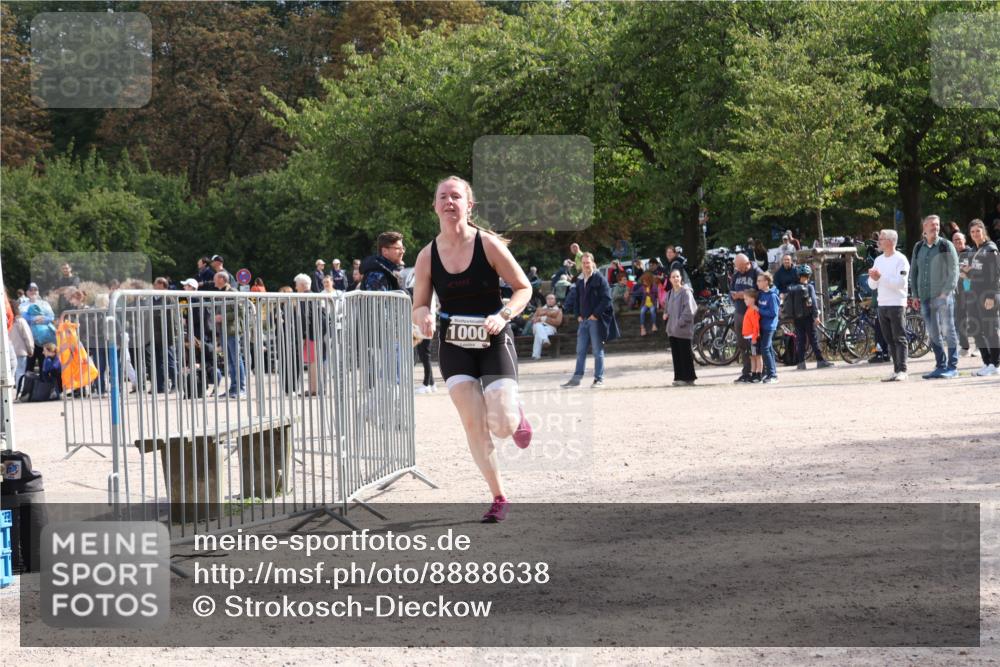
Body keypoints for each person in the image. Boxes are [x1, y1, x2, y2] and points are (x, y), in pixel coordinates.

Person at [410, 175, 533, 524]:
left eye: (456, 196)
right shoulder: (427, 256)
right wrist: (424, 317)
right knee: (473, 422)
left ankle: (515, 413)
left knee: (503, 425)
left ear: (469, 205)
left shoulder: (488, 244)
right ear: (435, 206)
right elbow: (419, 305)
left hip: (494, 339)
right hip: (454, 345)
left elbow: (523, 288)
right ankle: (498, 496)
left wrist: (503, 314)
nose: (449, 202)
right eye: (443, 197)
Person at [909, 215, 960, 379]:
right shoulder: (918, 247)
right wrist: (914, 295)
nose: (935, 227)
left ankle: (952, 367)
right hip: (924, 297)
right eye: (931, 225)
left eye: (937, 225)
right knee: (933, 332)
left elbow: (954, 270)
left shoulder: (946, 245)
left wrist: (946, 292)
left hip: (943, 296)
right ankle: (940, 366)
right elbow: (913, 272)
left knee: (948, 330)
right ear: (924, 228)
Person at [562, 252, 620, 388]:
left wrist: (595, 315)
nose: (586, 265)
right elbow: (577, 299)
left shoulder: (600, 279)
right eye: (583, 263)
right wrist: (577, 315)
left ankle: (598, 379)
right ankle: (576, 379)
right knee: (580, 351)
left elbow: (607, 299)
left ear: (593, 263)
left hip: (595, 321)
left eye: (588, 262)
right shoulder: (580, 281)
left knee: (597, 351)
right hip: (583, 321)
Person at [868, 229, 911, 381]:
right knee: (889, 339)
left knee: (899, 337)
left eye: (881, 239)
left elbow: (900, 283)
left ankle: (903, 370)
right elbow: (872, 285)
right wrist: (873, 278)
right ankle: (896, 369)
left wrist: (880, 277)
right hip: (882, 304)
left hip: (897, 303)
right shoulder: (878, 260)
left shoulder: (901, 259)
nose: (878, 241)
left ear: (891, 241)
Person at [965, 219, 1000, 375]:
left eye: (978, 231)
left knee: (990, 329)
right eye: (972, 232)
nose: (975, 234)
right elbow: (971, 274)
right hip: (974, 295)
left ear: (983, 231)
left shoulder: (991, 249)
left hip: (988, 295)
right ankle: (987, 362)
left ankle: (996, 364)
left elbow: (995, 275)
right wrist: (966, 275)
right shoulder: (973, 250)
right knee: (975, 329)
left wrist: (991, 296)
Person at [786, 265, 834, 370]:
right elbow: (814, 303)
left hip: (797, 319)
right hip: (808, 317)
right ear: (809, 275)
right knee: (813, 339)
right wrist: (816, 316)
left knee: (801, 340)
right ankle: (820, 361)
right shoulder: (809, 287)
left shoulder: (792, 288)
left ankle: (801, 363)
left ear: (799, 276)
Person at [213, 271, 247, 397]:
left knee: (236, 359)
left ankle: (241, 388)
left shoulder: (232, 292)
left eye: (215, 278)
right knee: (230, 361)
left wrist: (223, 317)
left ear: (222, 279)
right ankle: (233, 388)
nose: (214, 281)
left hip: (232, 331)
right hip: (223, 331)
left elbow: (240, 311)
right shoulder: (220, 293)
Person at [729, 254, 763, 383]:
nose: (738, 270)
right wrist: (733, 296)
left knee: (755, 345)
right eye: (737, 267)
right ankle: (746, 372)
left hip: (753, 314)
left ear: (747, 263)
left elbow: (762, 291)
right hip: (739, 312)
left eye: (740, 267)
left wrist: (745, 295)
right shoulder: (736, 274)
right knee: (742, 345)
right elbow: (731, 290)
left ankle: (759, 372)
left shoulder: (756, 272)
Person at [664, 268, 697, 386]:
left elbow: (690, 310)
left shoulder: (686, 292)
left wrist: (680, 323)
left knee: (685, 354)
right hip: (672, 330)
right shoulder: (669, 293)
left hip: (683, 329)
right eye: (673, 277)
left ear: (681, 278)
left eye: (677, 276)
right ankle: (679, 377)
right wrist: (665, 314)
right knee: (676, 355)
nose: (675, 279)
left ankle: (688, 378)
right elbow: (666, 308)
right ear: (670, 279)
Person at [19, 283, 56, 373]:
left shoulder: (44, 304)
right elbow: (21, 318)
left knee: (44, 367)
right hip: (29, 340)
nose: (33, 292)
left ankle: (44, 382)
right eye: (31, 290)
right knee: (29, 367)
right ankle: (28, 382)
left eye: (35, 290)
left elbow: (51, 317)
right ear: (27, 292)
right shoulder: (22, 306)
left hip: (44, 341)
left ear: (38, 292)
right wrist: (33, 319)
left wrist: (44, 319)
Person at [952, 231, 975, 358]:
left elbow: (978, 270)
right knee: (960, 319)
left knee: (974, 317)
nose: (957, 242)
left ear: (965, 240)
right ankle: (965, 347)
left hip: (972, 290)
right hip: (958, 292)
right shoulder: (952, 254)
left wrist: (967, 273)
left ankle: (980, 346)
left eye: (959, 239)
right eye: (955, 240)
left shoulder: (971, 253)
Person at [756, 272, 781, 384]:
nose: (757, 283)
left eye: (759, 281)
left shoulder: (772, 296)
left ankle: (772, 375)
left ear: (766, 282)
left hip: (769, 326)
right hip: (762, 325)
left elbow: (773, 313)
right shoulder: (761, 294)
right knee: (768, 349)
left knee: (765, 349)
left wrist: (758, 310)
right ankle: (771, 372)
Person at [528, 293, 563, 360]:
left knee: (538, 333)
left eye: (551, 298)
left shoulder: (558, 311)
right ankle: (545, 340)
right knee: (538, 325)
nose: (549, 300)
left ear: (555, 300)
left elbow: (558, 322)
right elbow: (533, 319)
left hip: (550, 328)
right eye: (548, 298)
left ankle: (536, 355)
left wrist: (544, 318)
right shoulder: (540, 309)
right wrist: (536, 319)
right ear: (546, 300)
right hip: (537, 326)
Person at [9, 300, 34, 390]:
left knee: (9, 373)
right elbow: (27, 336)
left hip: (8, 351)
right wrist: (30, 349)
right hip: (20, 351)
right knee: (20, 372)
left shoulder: (6, 322)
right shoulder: (20, 321)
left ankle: (8, 392)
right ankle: (19, 391)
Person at [741, 289, 763, 383]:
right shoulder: (749, 309)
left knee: (757, 356)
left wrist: (754, 337)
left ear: (753, 299)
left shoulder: (753, 310)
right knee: (752, 356)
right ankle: (753, 373)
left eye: (746, 299)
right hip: (748, 337)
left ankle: (759, 374)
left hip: (753, 337)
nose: (744, 301)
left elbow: (756, 326)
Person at [634, 271, 659, 336]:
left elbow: (657, 295)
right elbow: (636, 292)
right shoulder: (643, 287)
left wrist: (649, 294)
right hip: (645, 304)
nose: (644, 282)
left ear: (649, 280)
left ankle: (654, 325)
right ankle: (642, 328)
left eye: (645, 281)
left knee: (652, 311)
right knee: (642, 311)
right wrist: (629, 291)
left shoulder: (654, 286)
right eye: (643, 281)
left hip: (652, 303)